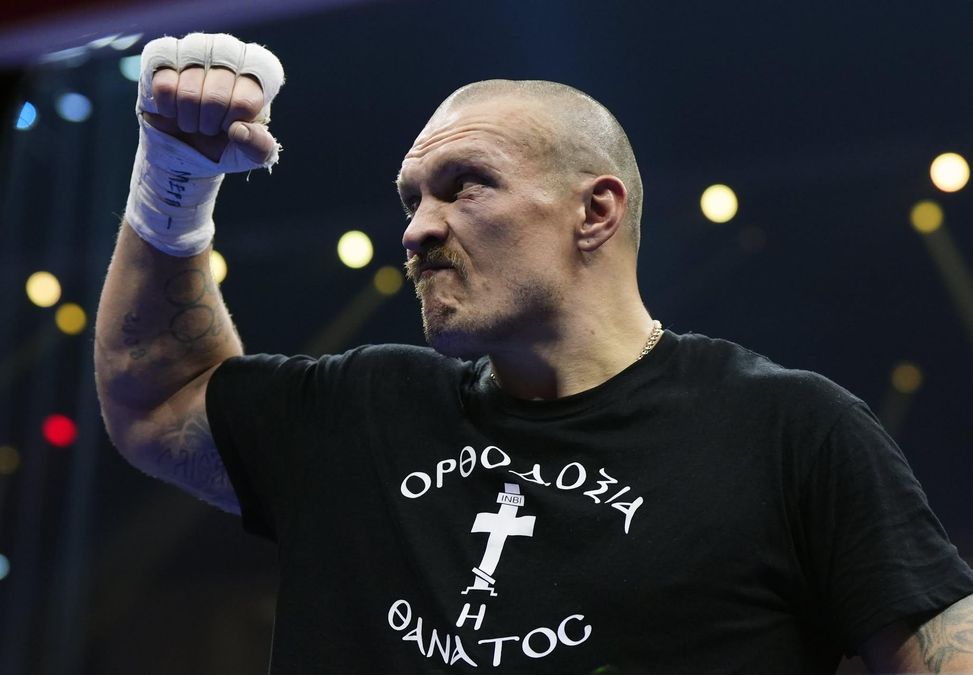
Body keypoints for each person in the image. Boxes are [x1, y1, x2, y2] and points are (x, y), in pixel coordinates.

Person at [94, 33, 973, 673]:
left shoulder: (786, 430)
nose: (417, 228)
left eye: (462, 185)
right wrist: (173, 181)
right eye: (410, 198)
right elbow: (157, 400)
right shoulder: (360, 412)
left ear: (595, 211)